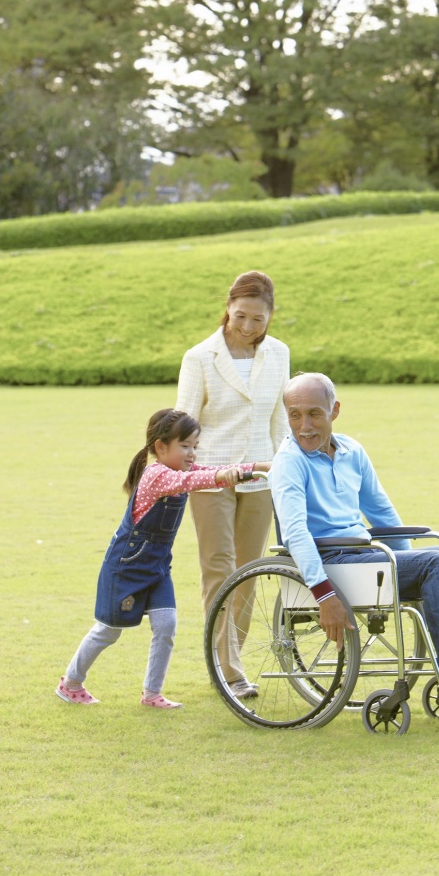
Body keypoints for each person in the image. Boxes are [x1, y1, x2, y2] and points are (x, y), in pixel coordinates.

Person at [269, 373, 439, 711]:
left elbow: (382, 513)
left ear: (334, 410)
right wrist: (324, 594)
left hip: (364, 556)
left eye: (314, 413)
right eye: (294, 415)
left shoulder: (352, 450)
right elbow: (295, 533)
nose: (304, 425)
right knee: (437, 564)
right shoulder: (288, 463)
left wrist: (406, 570)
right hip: (330, 563)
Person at [56, 408, 271, 708]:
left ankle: (152, 693)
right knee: (109, 630)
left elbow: (210, 471)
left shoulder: (182, 471)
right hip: (127, 566)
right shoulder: (157, 475)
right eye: (185, 446)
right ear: (160, 447)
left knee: (166, 625)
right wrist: (224, 476)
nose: (192, 453)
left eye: (195, 446)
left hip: (157, 567)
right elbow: (192, 483)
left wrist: (261, 466)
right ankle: (70, 683)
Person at [176, 270, 289, 699]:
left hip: (260, 476)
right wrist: (179, 476)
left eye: (257, 319)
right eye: (240, 316)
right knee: (219, 570)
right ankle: (229, 668)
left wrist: (284, 470)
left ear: (270, 316)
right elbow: (184, 422)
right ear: (227, 307)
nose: (247, 327)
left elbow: (281, 420)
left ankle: (229, 660)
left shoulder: (279, 354)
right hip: (210, 477)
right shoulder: (200, 357)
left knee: (249, 571)